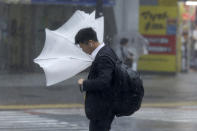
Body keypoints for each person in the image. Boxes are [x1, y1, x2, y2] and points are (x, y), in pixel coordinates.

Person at [75, 27, 117, 131]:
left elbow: (104, 82)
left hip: (102, 108)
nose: (83, 51)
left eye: (82, 47)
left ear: (90, 43)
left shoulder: (103, 57)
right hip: (103, 107)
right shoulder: (105, 52)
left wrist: (84, 83)